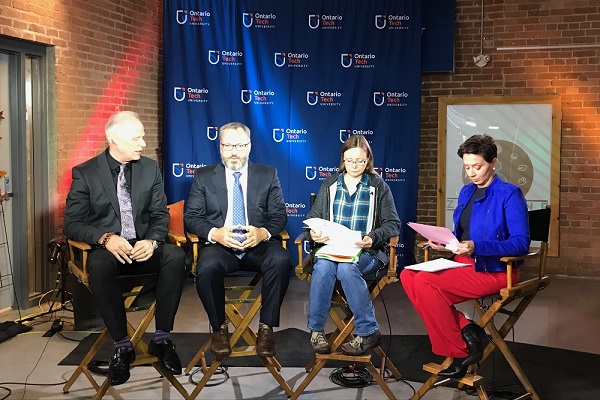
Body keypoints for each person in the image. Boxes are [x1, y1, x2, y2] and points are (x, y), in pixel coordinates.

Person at [64, 111, 187, 386]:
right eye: (137, 138)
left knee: (176, 256)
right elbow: (72, 224)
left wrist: (153, 240)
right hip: (110, 251)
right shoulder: (85, 173)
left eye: (142, 137)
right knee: (98, 264)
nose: (143, 143)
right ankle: (122, 346)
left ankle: (163, 339)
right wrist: (105, 238)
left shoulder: (150, 168)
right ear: (114, 139)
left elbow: (159, 214)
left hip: (143, 248)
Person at [400, 134, 530, 379]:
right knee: (409, 275)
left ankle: (459, 351)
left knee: (426, 283)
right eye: (467, 167)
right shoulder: (466, 192)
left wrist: (475, 247)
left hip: (496, 270)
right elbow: (463, 236)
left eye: (477, 166)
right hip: (462, 263)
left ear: (493, 162)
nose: (472, 173)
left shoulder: (510, 194)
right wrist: (446, 242)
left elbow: (520, 243)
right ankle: (469, 330)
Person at [184, 121, 291, 358]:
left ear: (249, 146)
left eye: (240, 145)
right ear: (219, 147)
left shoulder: (268, 174)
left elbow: (279, 216)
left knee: (281, 260)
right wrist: (216, 234)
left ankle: (266, 328)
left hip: (257, 245)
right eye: (228, 145)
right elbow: (191, 218)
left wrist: (263, 233)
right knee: (207, 266)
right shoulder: (203, 176)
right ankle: (219, 328)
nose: (234, 151)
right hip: (221, 246)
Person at [305, 135, 400, 356]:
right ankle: (316, 331)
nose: (354, 165)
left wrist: (373, 237)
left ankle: (368, 332)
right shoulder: (330, 183)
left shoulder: (378, 186)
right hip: (331, 249)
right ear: (342, 160)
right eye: (349, 161)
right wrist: (315, 233)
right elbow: (314, 217)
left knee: (347, 268)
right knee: (324, 267)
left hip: (365, 251)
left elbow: (393, 224)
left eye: (360, 161)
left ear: (368, 160)